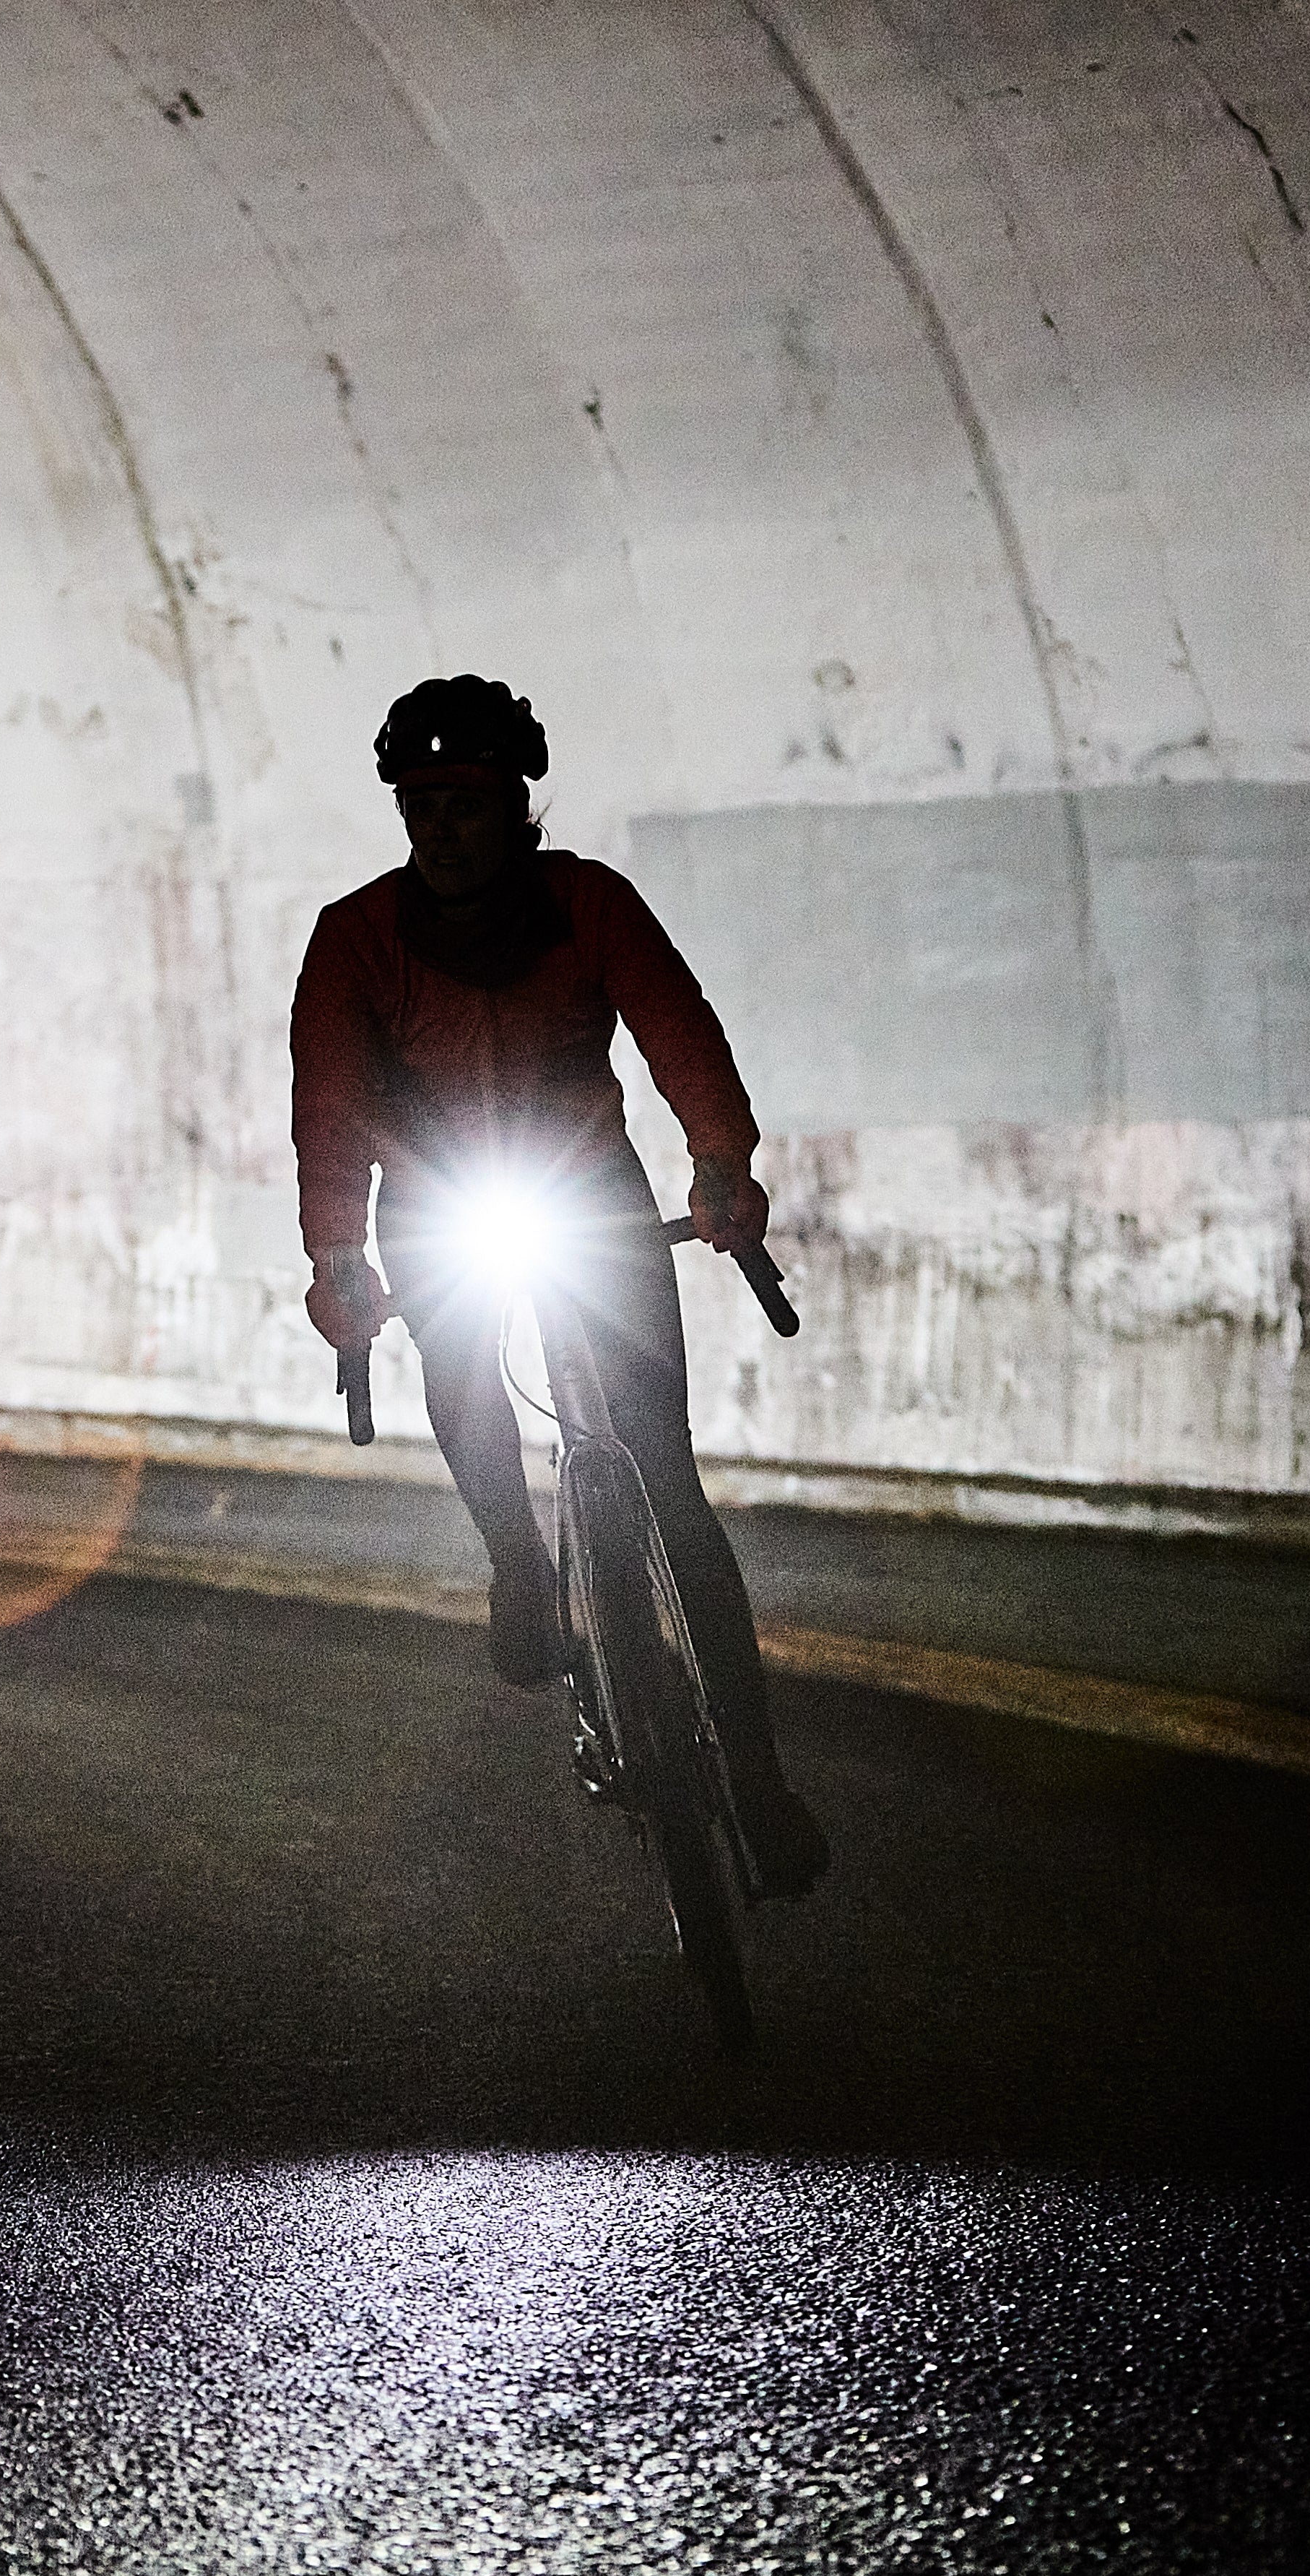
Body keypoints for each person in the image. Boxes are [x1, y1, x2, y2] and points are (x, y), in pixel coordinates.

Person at [287, 678, 828, 1897]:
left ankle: (756, 1779)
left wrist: (722, 1162)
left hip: (586, 1191)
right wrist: (338, 1255)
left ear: (513, 804)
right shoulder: (355, 938)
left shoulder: (588, 903)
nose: (440, 830)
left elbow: (679, 1030)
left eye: (465, 806)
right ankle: (517, 1562)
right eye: (419, 806)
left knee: (670, 1488)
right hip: (436, 1200)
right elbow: (328, 1106)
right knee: (459, 1351)